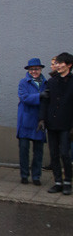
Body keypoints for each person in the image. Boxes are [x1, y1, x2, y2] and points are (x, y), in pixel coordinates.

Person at [39, 52, 73, 195]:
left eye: (60, 63)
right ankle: (58, 181)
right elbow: (45, 102)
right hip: (52, 123)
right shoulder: (52, 81)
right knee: (53, 154)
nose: (57, 65)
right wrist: (41, 119)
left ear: (69, 65)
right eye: (56, 63)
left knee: (65, 153)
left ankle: (67, 182)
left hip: (67, 124)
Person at [17, 58, 47, 185]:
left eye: (37, 69)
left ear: (40, 70)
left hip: (40, 120)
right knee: (24, 150)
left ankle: (36, 176)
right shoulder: (23, 82)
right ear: (28, 70)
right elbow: (24, 98)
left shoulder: (46, 83)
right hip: (25, 120)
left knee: (38, 152)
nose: (34, 71)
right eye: (32, 69)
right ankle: (24, 175)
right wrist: (39, 96)